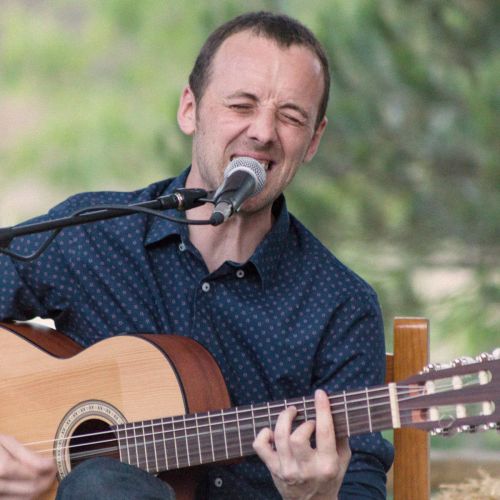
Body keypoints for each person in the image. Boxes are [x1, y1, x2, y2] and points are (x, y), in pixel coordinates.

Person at [0, 11, 393, 500]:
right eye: (241, 104)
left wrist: (318, 495)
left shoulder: (341, 305)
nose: (263, 132)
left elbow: (361, 487)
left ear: (313, 140)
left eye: (291, 117)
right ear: (190, 109)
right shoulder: (91, 237)